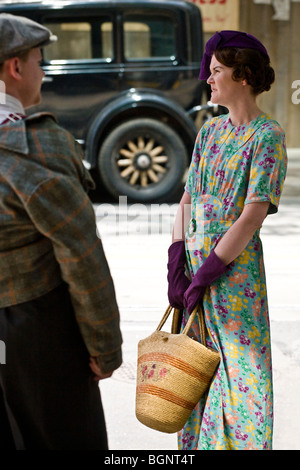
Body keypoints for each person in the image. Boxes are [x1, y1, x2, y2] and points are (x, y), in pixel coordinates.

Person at [0, 13, 122, 450]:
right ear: (15, 68)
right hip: (35, 331)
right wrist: (105, 346)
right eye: (38, 59)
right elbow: (80, 254)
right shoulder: (39, 143)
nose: (43, 71)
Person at [167, 30, 287, 450]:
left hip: (234, 283)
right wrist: (176, 261)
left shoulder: (267, 137)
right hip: (194, 278)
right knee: (194, 378)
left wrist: (208, 273)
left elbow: (252, 215)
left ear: (244, 76)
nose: (209, 78)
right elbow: (186, 198)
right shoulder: (210, 132)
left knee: (240, 382)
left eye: (217, 71)